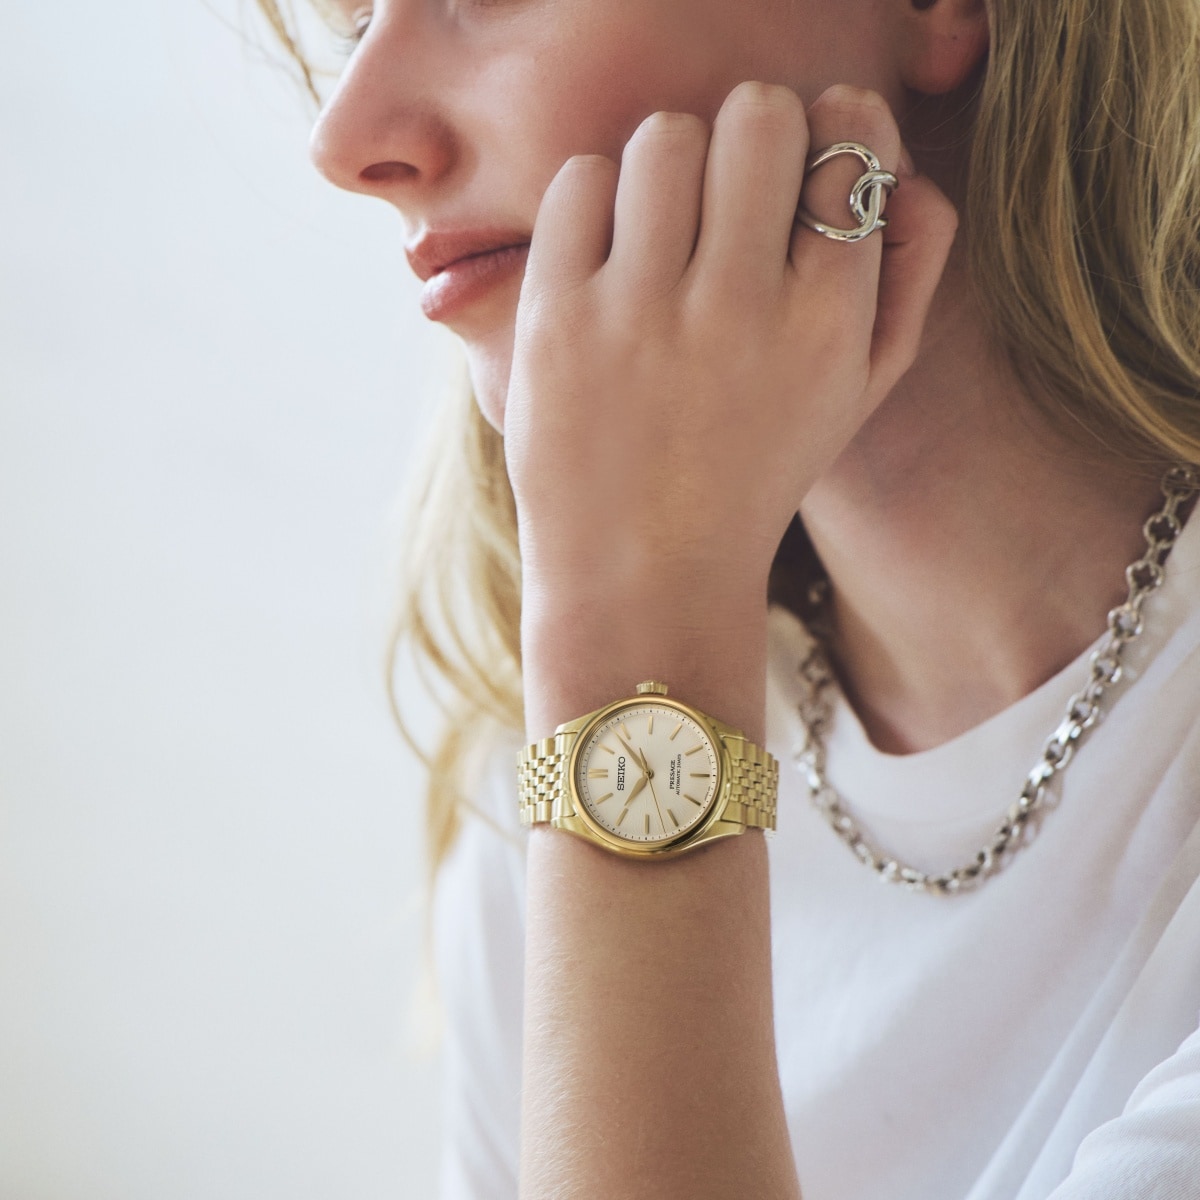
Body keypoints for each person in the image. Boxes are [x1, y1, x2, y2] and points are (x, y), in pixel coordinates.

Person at [258, 0, 1200, 1195]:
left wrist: (636, 662)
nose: (345, 140)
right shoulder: (547, 766)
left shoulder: (603, 719)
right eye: (354, 18)